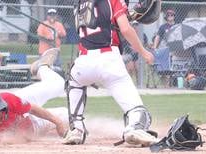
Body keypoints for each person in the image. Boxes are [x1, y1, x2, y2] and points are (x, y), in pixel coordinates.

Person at [63, 0, 158, 146]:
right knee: (137, 111)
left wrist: (126, 14)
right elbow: (125, 29)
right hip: (109, 60)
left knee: (74, 81)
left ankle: (76, 128)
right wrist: (144, 53)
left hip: (84, 61)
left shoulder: (79, 3)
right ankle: (134, 127)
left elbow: (103, 21)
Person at [0, 48, 68, 144]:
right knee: (66, 114)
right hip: (33, 125)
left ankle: (42, 67)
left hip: (17, 101)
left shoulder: (7, 100)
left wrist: (57, 122)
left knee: (59, 84)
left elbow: (32, 108)